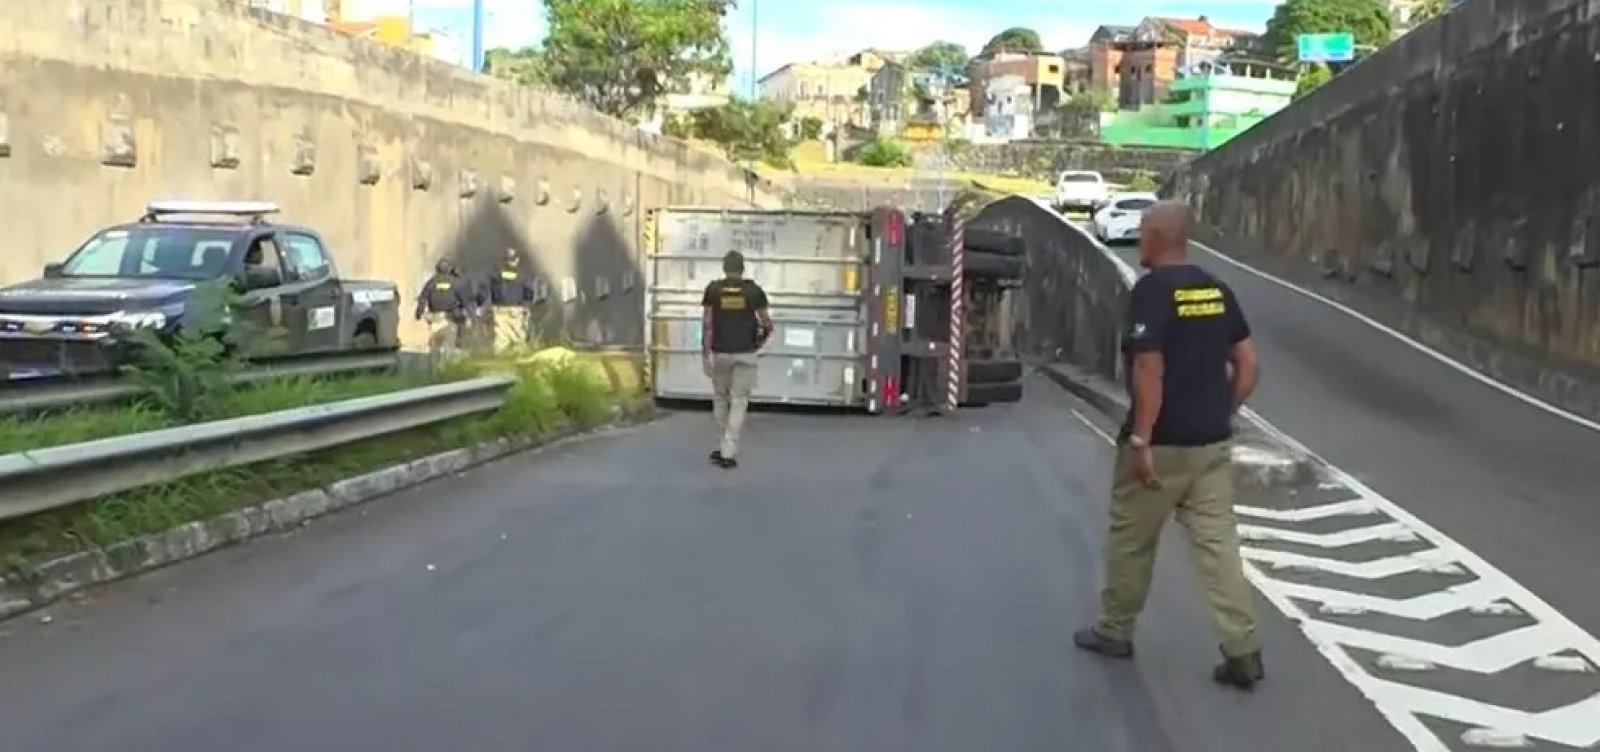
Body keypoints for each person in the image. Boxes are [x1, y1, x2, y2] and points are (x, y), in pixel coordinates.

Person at [1072, 200, 1266, 691]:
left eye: (1142, 233)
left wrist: (1142, 438)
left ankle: (1115, 628)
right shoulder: (1217, 291)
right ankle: (1242, 649)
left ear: (1160, 237)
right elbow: (1247, 365)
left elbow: (1148, 369)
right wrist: (1223, 412)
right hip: (1211, 444)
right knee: (1218, 547)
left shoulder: (1153, 293)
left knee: (1132, 540)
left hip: (1162, 446)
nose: (1139, 241)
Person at [701, 250, 772, 469]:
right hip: (746, 354)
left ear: (724, 267)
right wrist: (758, 343)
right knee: (739, 401)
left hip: (721, 353)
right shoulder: (753, 291)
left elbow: (707, 323)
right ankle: (728, 450)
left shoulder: (713, 290)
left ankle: (725, 446)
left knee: (721, 398)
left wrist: (705, 352)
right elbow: (767, 323)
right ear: (743, 268)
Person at [415, 259, 471, 355]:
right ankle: (447, 367)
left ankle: (434, 367)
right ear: (449, 269)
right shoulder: (455, 282)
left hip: (435, 318)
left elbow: (422, 299)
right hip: (450, 319)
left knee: (434, 347)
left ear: (437, 269)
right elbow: (464, 300)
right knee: (449, 347)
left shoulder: (431, 282)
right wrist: (468, 315)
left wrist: (418, 313)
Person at [488, 247, 539, 352]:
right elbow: (529, 292)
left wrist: (492, 306)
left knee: (501, 338)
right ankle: (519, 358)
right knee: (518, 337)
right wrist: (527, 306)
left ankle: (499, 360)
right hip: (517, 309)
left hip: (500, 309)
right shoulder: (523, 276)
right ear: (517, 260)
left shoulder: (496, 276)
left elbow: (491, 291)